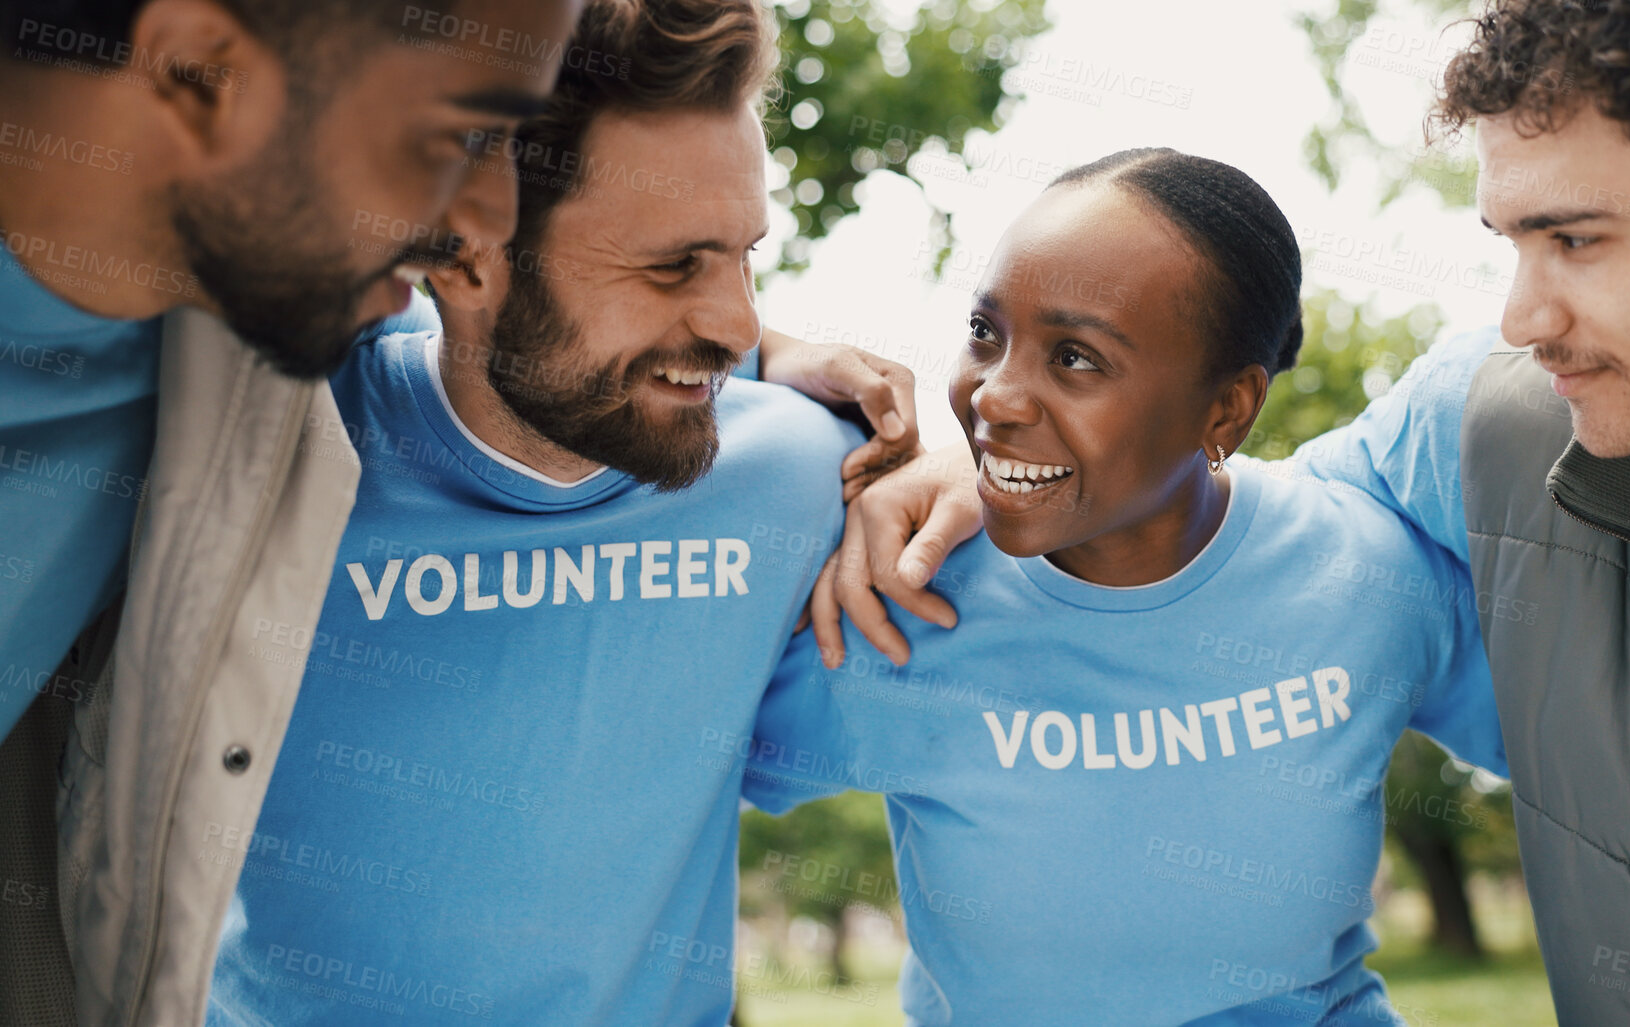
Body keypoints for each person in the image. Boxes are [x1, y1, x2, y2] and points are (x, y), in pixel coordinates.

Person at [818, 3, 1630, 1023]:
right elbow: (1221, 509)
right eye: (1510, 242)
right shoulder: (1488, 429)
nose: (1521, 316)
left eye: (1578, 240)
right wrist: (988, 471)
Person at [197, 1, 894, 1022]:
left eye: (745, 255)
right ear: (466, 254)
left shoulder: (807, 477)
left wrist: (936, 476)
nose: (739, 320)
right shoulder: (273, 446)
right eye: (673, 266)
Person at [745, 148, 1505, 1026]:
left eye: (1074, 357)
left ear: (1226, 410)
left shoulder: (1363, 569)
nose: (994, 395)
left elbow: (1580, 769)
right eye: (987, 333)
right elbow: (660, 779)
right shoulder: (900, 600)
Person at [0, 1, 584, 1022]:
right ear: (195, 74)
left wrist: (838, 409)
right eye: (467, 136)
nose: (492, 214)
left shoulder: (265, 313)